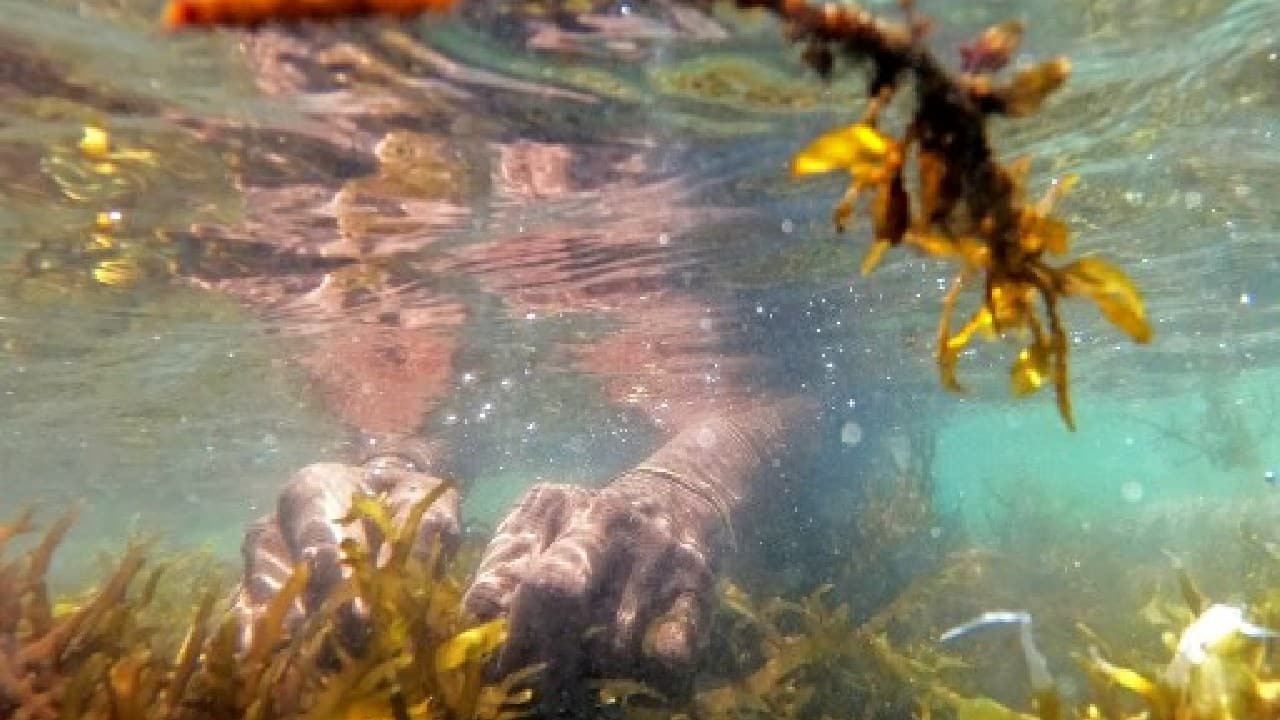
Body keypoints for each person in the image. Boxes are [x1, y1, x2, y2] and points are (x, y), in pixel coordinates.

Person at [202, 7, 880, 713]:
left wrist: (699, 480)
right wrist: (398, 470)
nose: (543, 249)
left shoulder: (740, 246)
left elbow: (832, 398)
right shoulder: (472, 294)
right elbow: (472, 398)